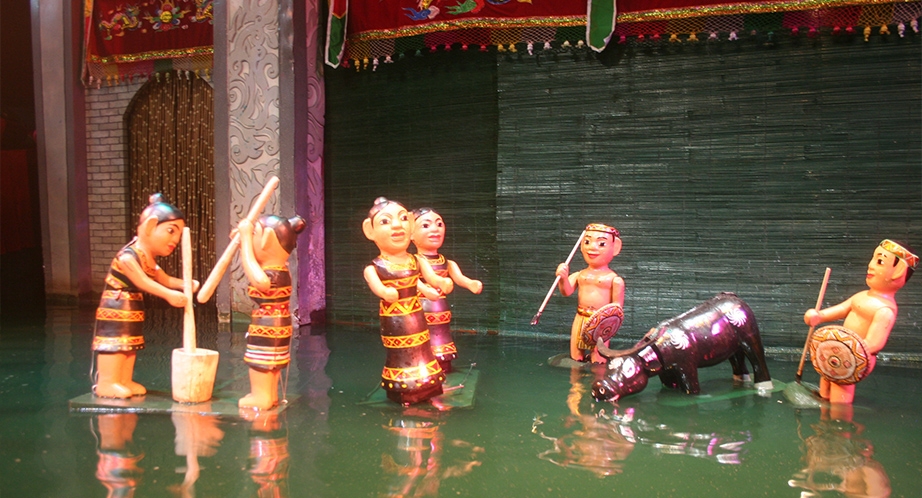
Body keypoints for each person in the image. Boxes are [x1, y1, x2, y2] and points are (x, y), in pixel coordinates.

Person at [92, 194, 193, 398]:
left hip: (132, 308)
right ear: (150, 226)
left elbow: (164, 279)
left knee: (129, 346)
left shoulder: (149, 259)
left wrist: (186, 284)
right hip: (116, 306)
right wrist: (168, 295)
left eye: (178, 235)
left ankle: (124, 380)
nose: (174, 239)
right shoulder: (128, 256)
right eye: (171, 231)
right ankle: (107, 382)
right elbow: (143, 282)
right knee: (114, 345)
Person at [804, 239, 917, 404]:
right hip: (838, 352)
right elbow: (842, 309)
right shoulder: (861, 296)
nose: (870, 265)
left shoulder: (884, 310)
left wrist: (851, 349)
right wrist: (819, 316)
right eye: (873, 259)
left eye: (879, 261)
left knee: (840, 384)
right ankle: (823, 402)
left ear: (898, 272)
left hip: (855, 359)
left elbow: (874, 343)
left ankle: (838, 416)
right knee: (826, 377)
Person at [362, 197, 452, 404]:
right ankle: (404, 388)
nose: (396, 226)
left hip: (417, 316)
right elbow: (378, 287)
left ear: (411, 226)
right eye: (385, 221)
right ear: (370, 231)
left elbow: (428, 281)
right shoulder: (374, 267)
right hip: (395, 320)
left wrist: (438, 285)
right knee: (401, 352)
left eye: (403, 219)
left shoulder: (416, 260)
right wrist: (385, 293)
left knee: (423, 348)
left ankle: (427, 383)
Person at [237, 214, 306, 410]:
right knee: (271, 364)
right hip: (279, 322)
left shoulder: (270, 273)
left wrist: (244, 239)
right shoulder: (281, 268)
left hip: (267, 324)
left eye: (254, 235)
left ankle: (261, 397)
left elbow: (256, 277)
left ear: (266, 238)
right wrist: (245, 241)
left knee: (260, 364)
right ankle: (270, 395)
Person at [411, 207, 483, 373]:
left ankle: (443, 365)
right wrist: (431, 287)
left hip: (440, 309)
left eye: (439, 224)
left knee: (441, 335)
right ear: (410, 234)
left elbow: (459, 278)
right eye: (426, 225)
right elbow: (412, 281)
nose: (435, 229)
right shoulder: (413, 261)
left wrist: (471, 284)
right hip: (419, 308)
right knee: (421, 337)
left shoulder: (447, 262)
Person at [556, 223, 625, 363]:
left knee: (598, 358)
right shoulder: (580, 275)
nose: (592, 247)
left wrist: (605, 324)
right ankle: (576, 384)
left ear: (615, 247)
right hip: (580, 318)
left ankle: (598, 379)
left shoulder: (614, 280)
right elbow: (566, 292)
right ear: (581, 245)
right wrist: (563, 278)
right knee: (576, 356)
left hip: (601, 324)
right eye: (587, 241)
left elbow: (617, 309)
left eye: (601, 244)